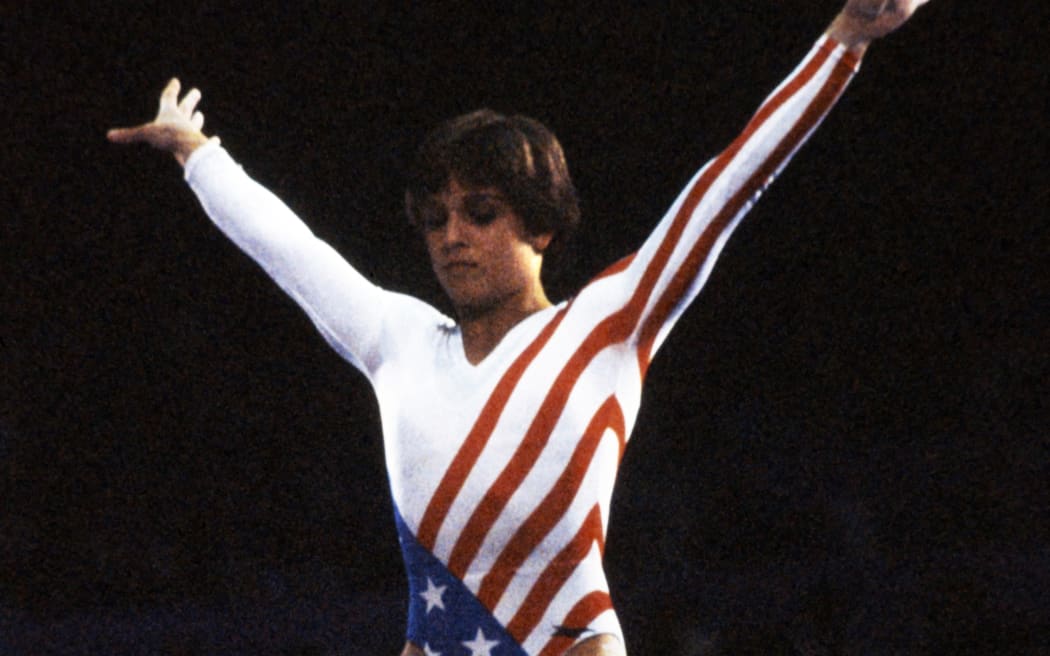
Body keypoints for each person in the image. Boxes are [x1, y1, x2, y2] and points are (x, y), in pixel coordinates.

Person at [108, 1, 931, 654]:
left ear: (541, 226)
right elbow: (288, 248)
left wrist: (845, 41)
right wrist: (196, 154)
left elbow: (726, 189)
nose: (452, 237)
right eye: (434, 219)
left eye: (480, 212)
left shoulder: (605, 327)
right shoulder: (397, 340)